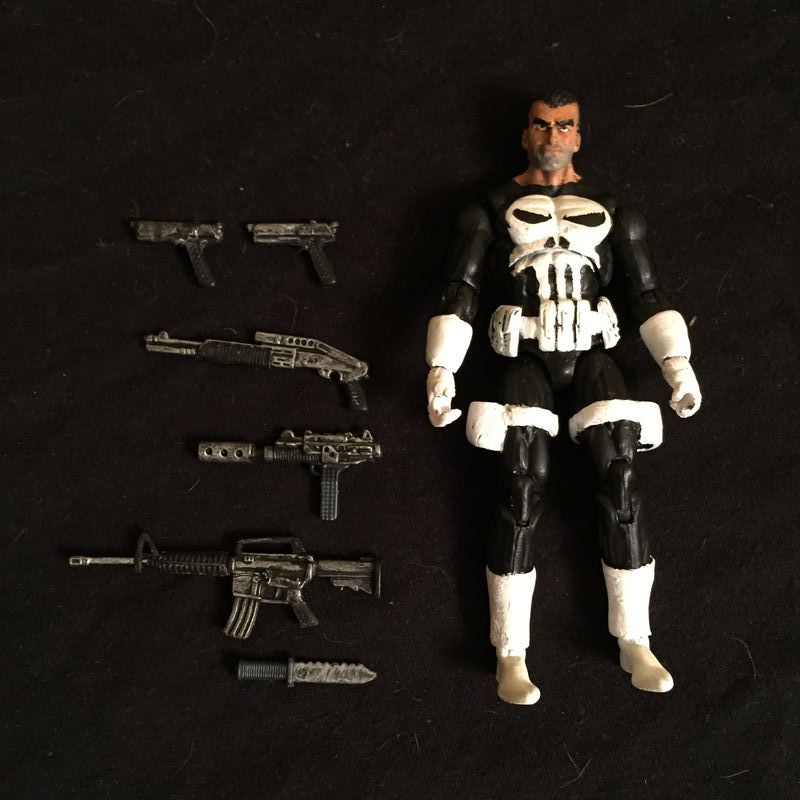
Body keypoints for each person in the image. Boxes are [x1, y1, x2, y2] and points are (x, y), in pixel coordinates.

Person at [425, 90, 701, 705]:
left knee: (620, 478)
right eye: (542, 125)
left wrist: (677, 364)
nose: (553, 136)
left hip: (594, 357)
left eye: (565, 125)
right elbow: (460, 289)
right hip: (523, 358)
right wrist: (442, 367)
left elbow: (647, 293)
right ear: (526, 134)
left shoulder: (615, 211)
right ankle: (511, 651)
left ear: (579, 135)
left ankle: (635, 638)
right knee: (520, 487)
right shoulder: (488, 210)